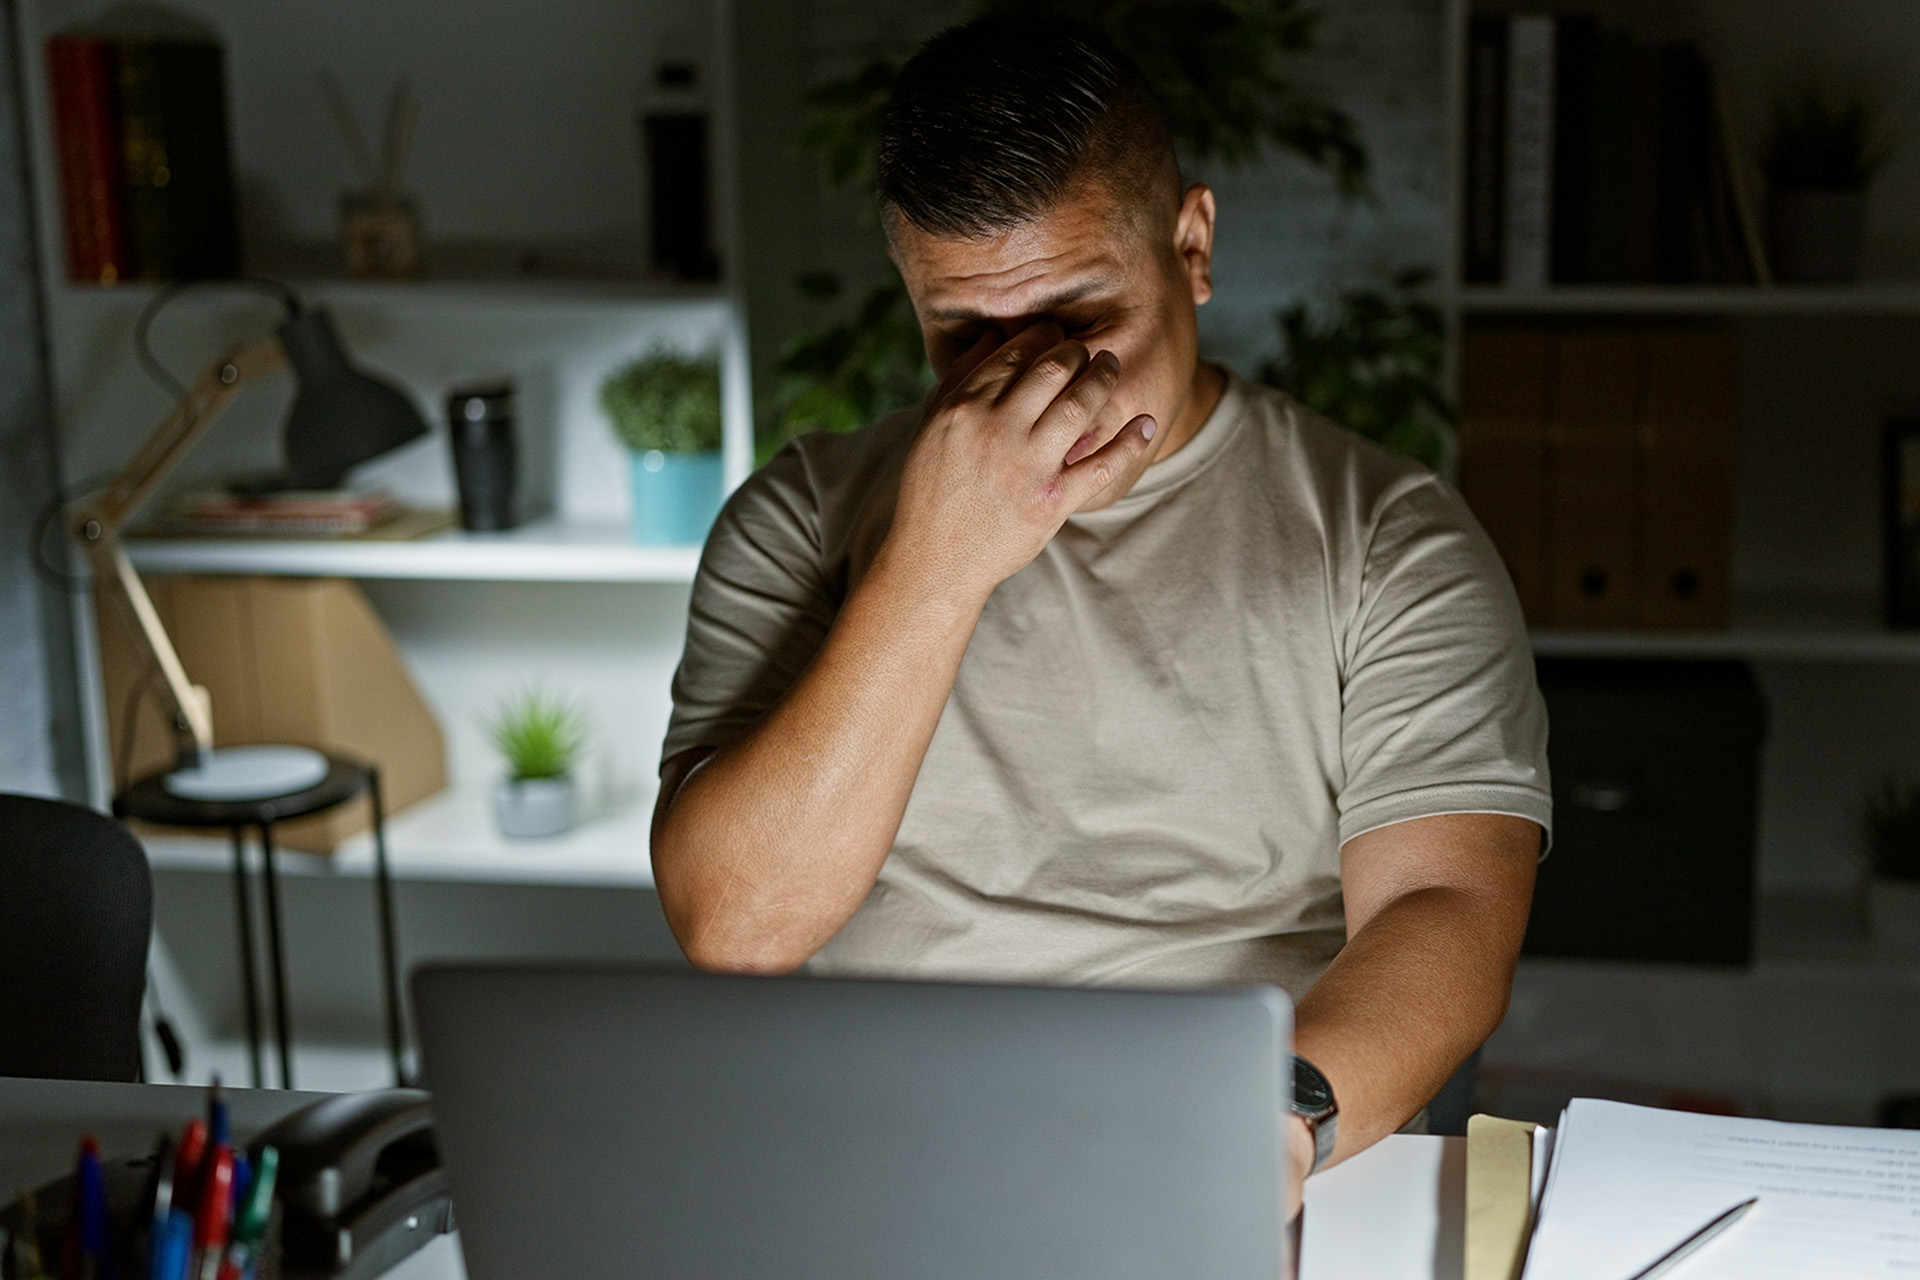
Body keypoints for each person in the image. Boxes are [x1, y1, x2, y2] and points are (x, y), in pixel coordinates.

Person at [651, 15, 1550, 1198]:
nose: (1036, 380)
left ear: (1192, 245)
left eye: (1081, 319)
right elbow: (738, 927)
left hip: (1234, 1133)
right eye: (967, 333)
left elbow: (1449, 905)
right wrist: (936, 560)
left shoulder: (1390, 538)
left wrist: (1270, 1125)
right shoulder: (803, 517)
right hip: (882, 1145)